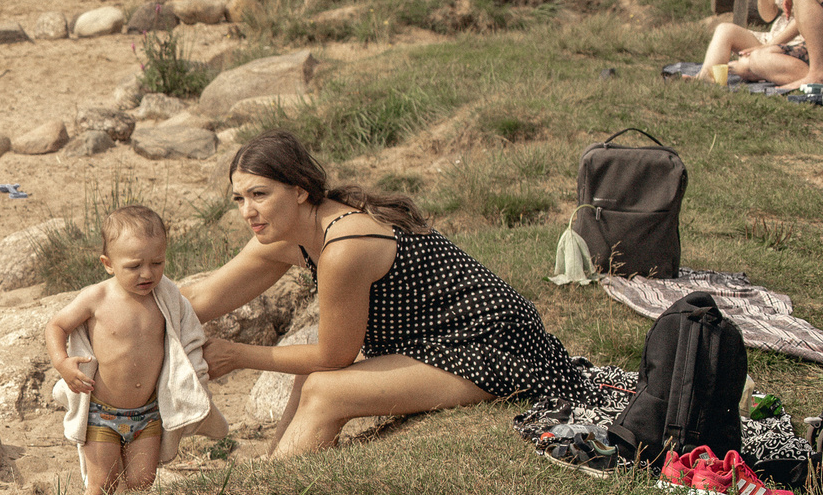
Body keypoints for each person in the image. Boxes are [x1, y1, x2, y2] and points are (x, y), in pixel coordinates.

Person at [186, 133, 589, 456]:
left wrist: (237, 355)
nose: (247, 211)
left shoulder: (344, 246)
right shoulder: (287, 232)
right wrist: (128, 297)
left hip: (491, 344)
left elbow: (334, 357)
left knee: (324, 390)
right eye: (239, 199)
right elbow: (202, 298)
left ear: (299, 191)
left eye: (259, 195)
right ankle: (275, 472)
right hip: (433, 342)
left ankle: (277, 494)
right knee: (309, 378)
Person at [44, 205, 221, 495]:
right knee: (103, 486)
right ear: (108, 263)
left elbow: (185, 337)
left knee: (142, 484)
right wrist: (62, 363)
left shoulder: (166, 298)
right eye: (134, 266)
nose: (147, 273)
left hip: (148, 413)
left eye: (157, 262)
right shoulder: (97, 298)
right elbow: (56, 325)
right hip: (102, 413)